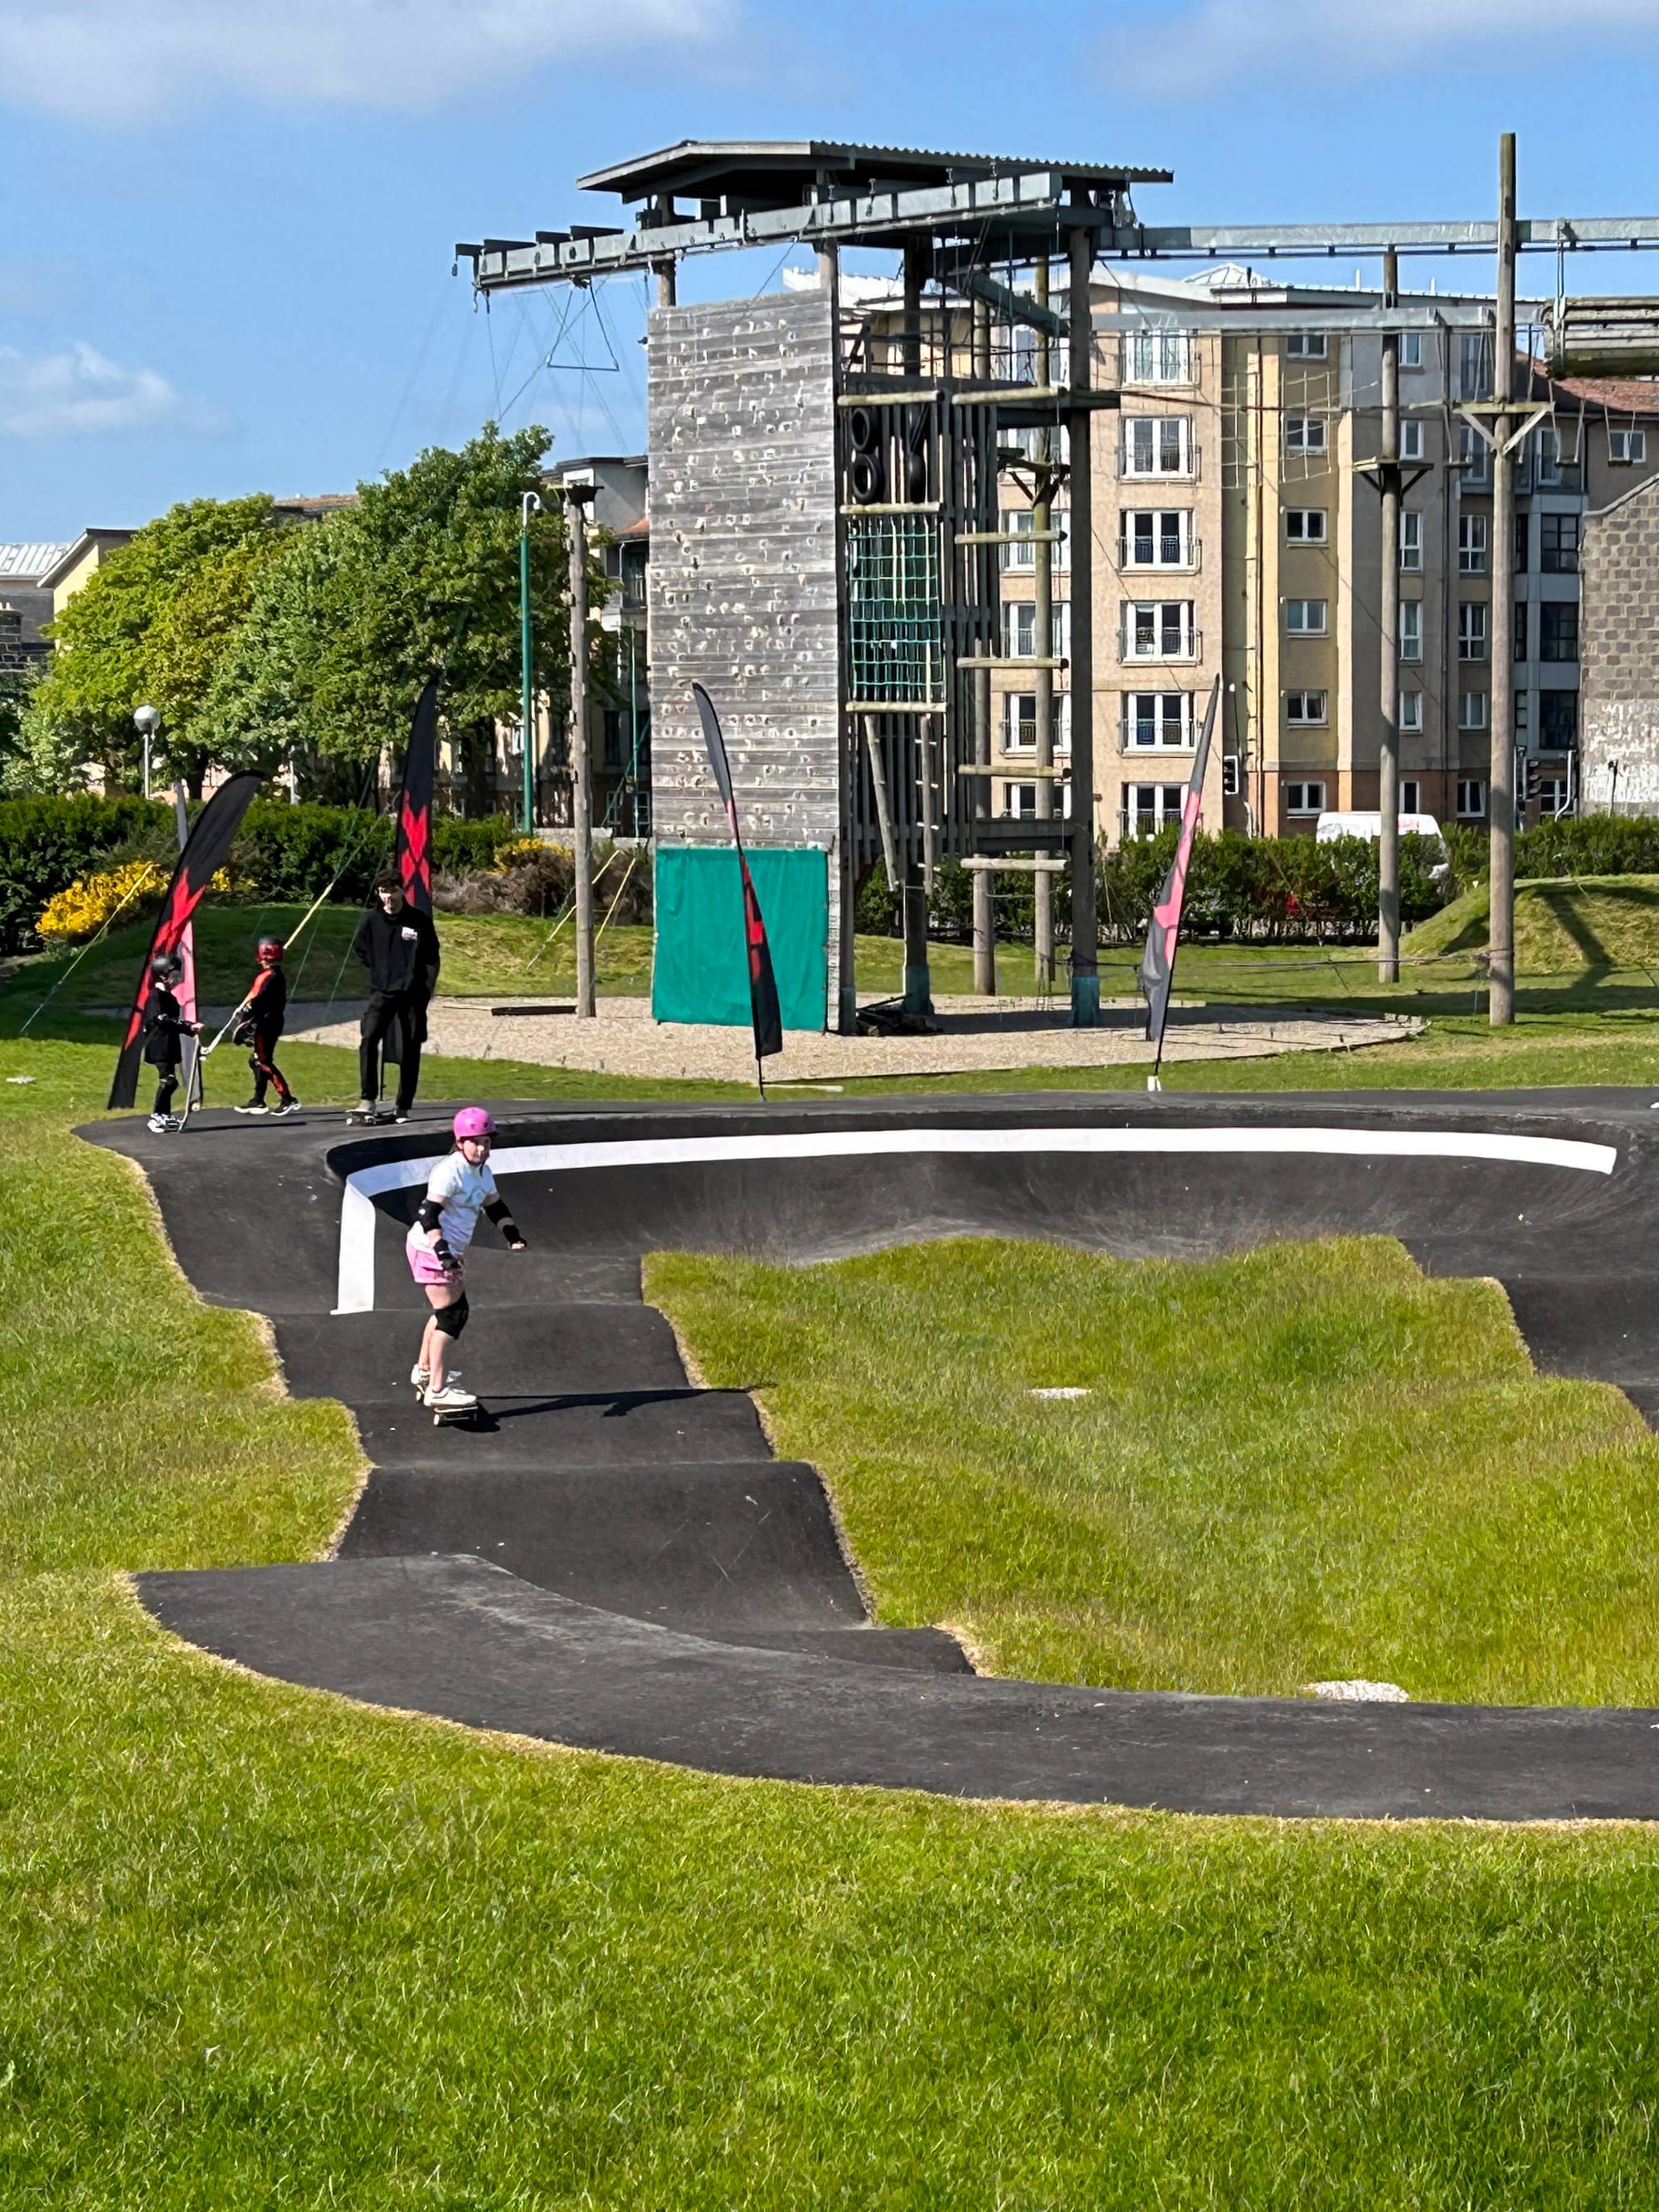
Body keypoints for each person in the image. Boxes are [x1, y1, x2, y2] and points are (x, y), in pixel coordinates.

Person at [406, 1107, 526, 1412]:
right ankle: (438, 1389)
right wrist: (443, 1252)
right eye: (474, 1142)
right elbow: (427, 1213)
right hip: (432, 1250)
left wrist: (512, 1235)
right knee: (453, 1316)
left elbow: (494, 1206)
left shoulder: (482, 1172)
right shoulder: (450, 1171)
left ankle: (424, 1371)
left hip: (449, 1251)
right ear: (460, 1142)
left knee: (447, 1312)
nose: (481, 1148)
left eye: (486, 1142)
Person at [353, 872, 440, 1121]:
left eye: (392, 890)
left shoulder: (418, 920)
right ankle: (367, 1099)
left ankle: (403, 1106)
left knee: (410, 1048)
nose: (388, 897)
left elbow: (432, 956)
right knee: (369, 1038)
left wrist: (424, 989)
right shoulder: (372, 920)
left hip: (412, 994)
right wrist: (379, 969)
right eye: (382, 891)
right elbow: (361, 948)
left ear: (402, 891)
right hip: (382, 991)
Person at [232, 936, 300, 1117]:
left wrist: (244, 1018)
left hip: (268, 1024)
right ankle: (258, 1100)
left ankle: (288, 1099)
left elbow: (257, 1002)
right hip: (268, 1022)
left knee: (263, 1061)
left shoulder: (269, 977)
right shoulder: (274, 975)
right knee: (255, 1060)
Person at [143, 950, 202, 1133]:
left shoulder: (171, 997)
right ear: (163, 976)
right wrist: (187, 1027)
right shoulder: (155, 996)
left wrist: (189, 1028)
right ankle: (156, 1117)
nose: (178, 980)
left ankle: (165, 1115)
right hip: (159, 1044)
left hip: (169, 1044)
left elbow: (172, 1021)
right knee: (168, 1081)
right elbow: (161, 1019)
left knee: (171, 1081)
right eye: (175, 976)